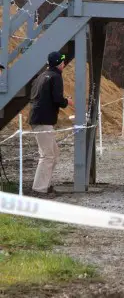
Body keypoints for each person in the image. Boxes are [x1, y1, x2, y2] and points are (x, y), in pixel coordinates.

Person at [29, 51, 73, 195]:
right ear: (58, 64)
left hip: (38, 118)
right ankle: (39, 189)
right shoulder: (56, 77)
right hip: (44, 120)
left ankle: (44, 186)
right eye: (62, 62)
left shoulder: (42, 76)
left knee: (53, 153)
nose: (64, 64)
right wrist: (68, 101)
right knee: (47, 155)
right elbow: (57, 99)